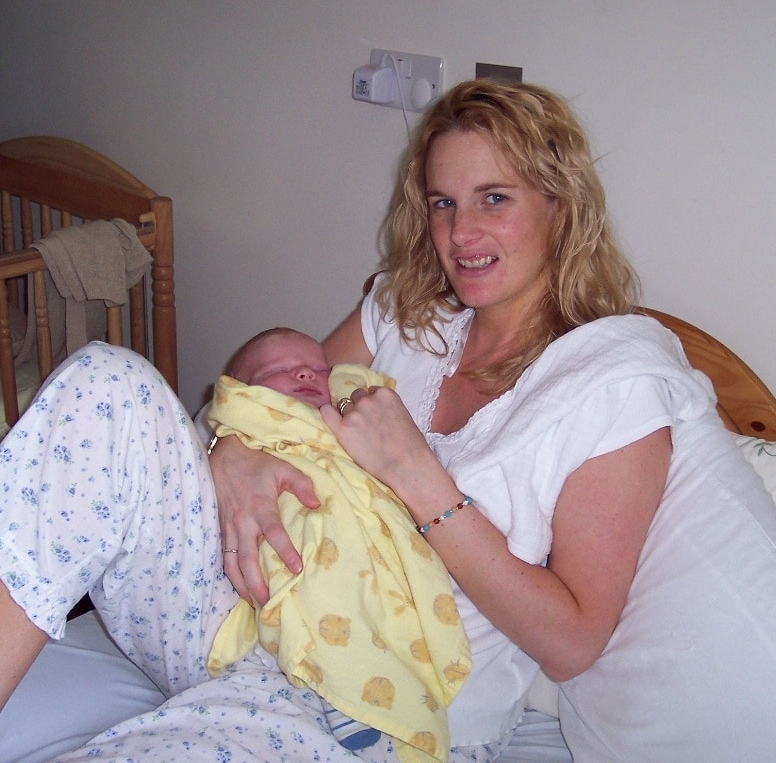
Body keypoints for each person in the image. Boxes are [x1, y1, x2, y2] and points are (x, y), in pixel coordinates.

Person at [1, 79, 775, 763]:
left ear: (561, 206)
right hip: (238, 613)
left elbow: (571, 643)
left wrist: (414, 474)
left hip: (369, 705)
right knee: (109, 379)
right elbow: (274, 398)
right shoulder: (408, 318)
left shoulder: (614, 381)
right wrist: (230, 446)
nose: (460, 234)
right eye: (444, 202)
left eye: (494, 198)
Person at [207, 327, 471, 758]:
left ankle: (369, 694)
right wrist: (227, 442)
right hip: (293, 536)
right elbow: (223, 422)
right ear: (246, 392)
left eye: (317, 370)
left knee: (365, 595)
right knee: (312, 583)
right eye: (279, 371)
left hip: (355, 539)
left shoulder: (356, 418)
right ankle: (340, 692)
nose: (306, 377)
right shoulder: (250, 430)